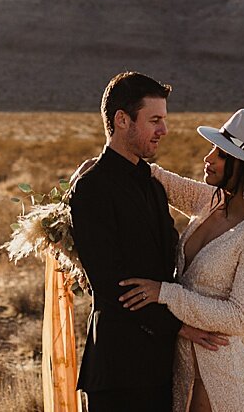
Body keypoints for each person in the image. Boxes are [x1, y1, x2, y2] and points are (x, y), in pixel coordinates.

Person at [68, 72, 229, 412]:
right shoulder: (91, 188)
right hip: (118, 372)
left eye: (164, 120)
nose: (164, 131)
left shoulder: (154, 187)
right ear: (121, 120)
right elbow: (111, 287)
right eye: (155, 120)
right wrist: (180, 326)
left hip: (160, 367)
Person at [118, 109, 244, 412]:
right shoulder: (211, 201)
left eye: (220, 154)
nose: (207, 158)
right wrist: (101, 166)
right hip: (181, 371)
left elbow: (239, 318)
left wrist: (165, 293)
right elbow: (158, 178)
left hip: (222, 380)